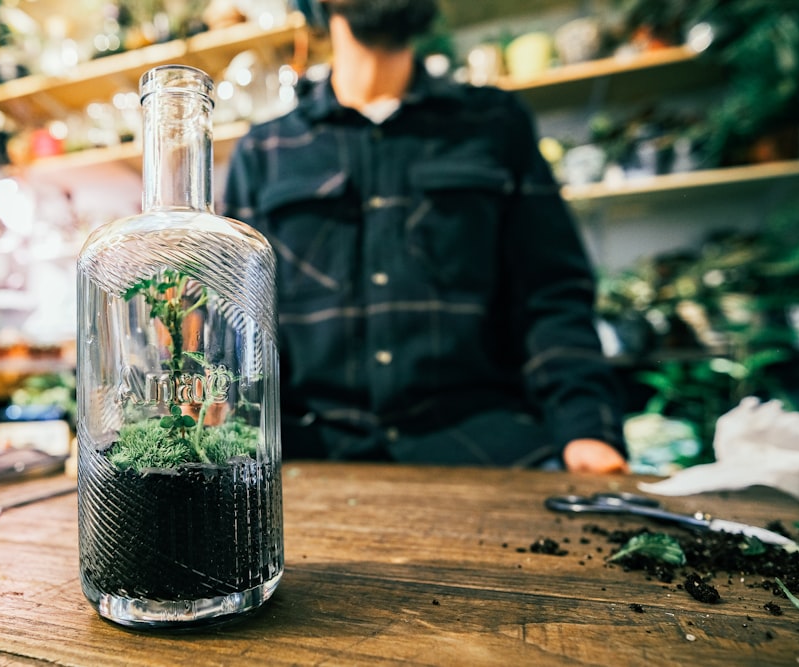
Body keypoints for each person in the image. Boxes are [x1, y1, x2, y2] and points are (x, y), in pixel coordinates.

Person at [222, 0, 629, 473]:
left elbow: (551, 292)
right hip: (309, 451)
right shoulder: (264, 151)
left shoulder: (495, 125)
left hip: (483, 443)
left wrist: (586, 428)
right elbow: (236, 322)